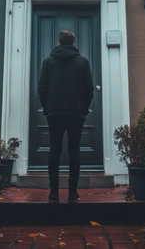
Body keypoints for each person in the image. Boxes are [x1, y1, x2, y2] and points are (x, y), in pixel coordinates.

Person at [38, 30, 94, 204]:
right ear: (73, 43)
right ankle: (72, 194)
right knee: (74, 151)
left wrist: (47, 108)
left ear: (59, 42)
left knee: (54, 152)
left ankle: (53, 194)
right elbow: (89, 90)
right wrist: (83, 109)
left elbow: (42, 88)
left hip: (55, 114)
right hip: (76, 114)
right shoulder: (83, 63)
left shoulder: (48, 62)